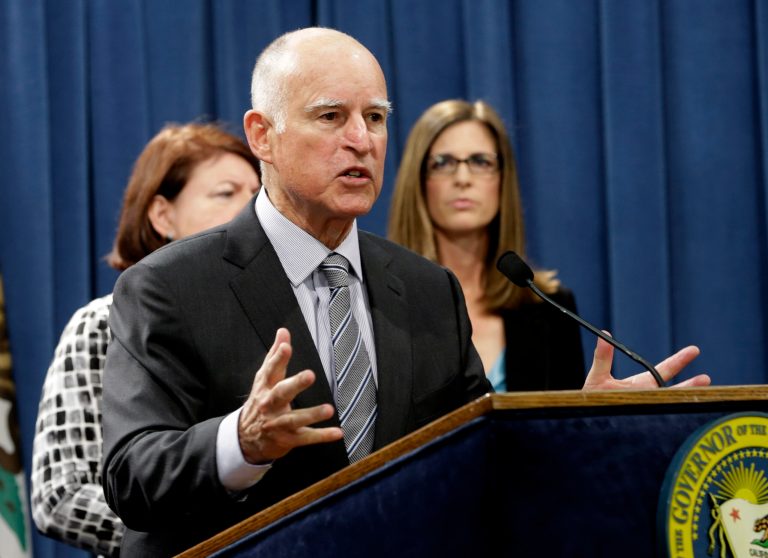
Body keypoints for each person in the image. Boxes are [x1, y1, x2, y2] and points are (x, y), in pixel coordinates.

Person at [100, 27, 710, 556]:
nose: (362, 141)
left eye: (376, 118)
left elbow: (478, 462)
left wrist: (575, 430)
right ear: (262, 135)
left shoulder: (426, 291)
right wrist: (242, 441)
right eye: (331, 116)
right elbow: (131, 479)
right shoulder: (166, 288)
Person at [30, 122, 261, 557]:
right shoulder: (102, 323)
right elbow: (59, 494)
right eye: (226, 193)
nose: (249, 210)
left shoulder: (271, 318)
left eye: (256, 193)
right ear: (162, 215)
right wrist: (193, 541)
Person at [389, 99, 585, 392]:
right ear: (418, 181)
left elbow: (565, 429)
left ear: (502, 180)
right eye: (443, 163)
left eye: (481, 162)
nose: (463, 179)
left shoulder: (551, 306)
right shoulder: (380, 304)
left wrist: (590, 408)